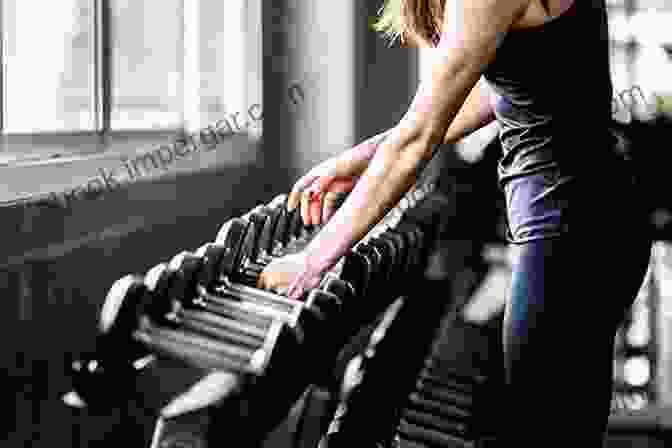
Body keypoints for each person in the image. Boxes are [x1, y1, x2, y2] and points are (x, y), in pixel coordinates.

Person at [258, 0, 653, 445]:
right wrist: (366, 156)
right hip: (594, 216)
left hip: (569, 231)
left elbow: (418, 140)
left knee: (543, 429)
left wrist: (313, 259)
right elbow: (499, 88)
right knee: (563, 424)